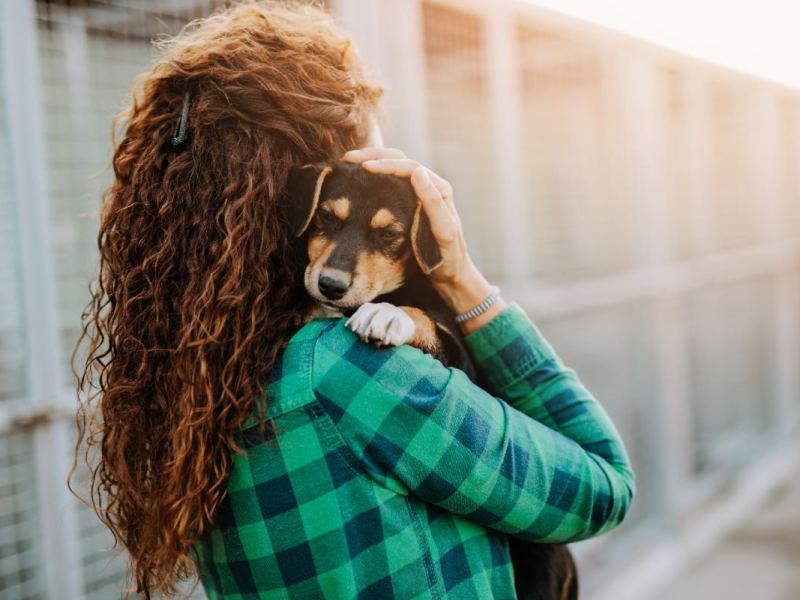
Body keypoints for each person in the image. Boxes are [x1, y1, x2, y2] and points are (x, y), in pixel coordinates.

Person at [71, 2, 635, 598]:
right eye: (377, 152)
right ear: (293, 193)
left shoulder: (194, 376)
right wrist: (464, 282)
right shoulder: (356, 374)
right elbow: (604, 487)